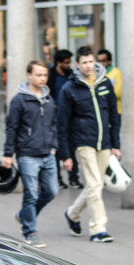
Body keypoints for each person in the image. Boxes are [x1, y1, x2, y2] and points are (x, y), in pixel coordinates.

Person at [2, 61, 68, 248]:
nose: (42, 78)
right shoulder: (19, 100)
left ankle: (23, 215)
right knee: (31, 194)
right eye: (38, 75)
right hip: (27, 154)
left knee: (51, 191)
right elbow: (12, 128)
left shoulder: (49, 99)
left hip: (48, 153)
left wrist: (54, 147)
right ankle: (30, 232)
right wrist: (8, 154)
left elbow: (53, 125)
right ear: (29, 75)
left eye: (45, 75)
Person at [58, 46, 120, 243]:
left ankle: (72, 214)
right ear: (78, 65)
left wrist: (116, 145)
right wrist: (65, 154)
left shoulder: (105, 84)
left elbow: (113, 115)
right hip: (83, 141)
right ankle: (98, 229)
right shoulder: (69, 89)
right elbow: (63, 123)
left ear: (96, 63)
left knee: (96, 184)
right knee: (94, 184)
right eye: (84, 62)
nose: (88, 66)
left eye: (91, 62)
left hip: (105, 142)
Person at [47, 50, 77, 188]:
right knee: (56, 148)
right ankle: (58, 179)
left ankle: (73, 178)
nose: (68, 65)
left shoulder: (72, 75)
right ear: (58, 62)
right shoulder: (50, 76)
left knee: (72, 147)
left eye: (70, 62)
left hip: (70, 116)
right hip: (54, 116)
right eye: (66, 62)